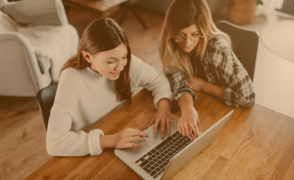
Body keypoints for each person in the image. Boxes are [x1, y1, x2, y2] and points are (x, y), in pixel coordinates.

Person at [46, 18, 177, 157]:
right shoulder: (71, 79)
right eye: (110, 61)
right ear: (88, 57)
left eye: (124, 56)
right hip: (92, 155)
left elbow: (158, 78)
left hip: (122, 132)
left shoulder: (121, 61)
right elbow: (55, 143)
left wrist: (164, 106)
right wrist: (112, 140)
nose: (120, 67)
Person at [159, 0, 255, 140]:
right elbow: (177, 79)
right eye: (180, 34)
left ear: (203, 30)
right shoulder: (169, 43)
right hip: (202, 107)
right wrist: (187, 108)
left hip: (227, 114)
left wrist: (203, 85)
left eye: (195, 34)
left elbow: (248, 98)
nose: (186, 43)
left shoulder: (218, 48)